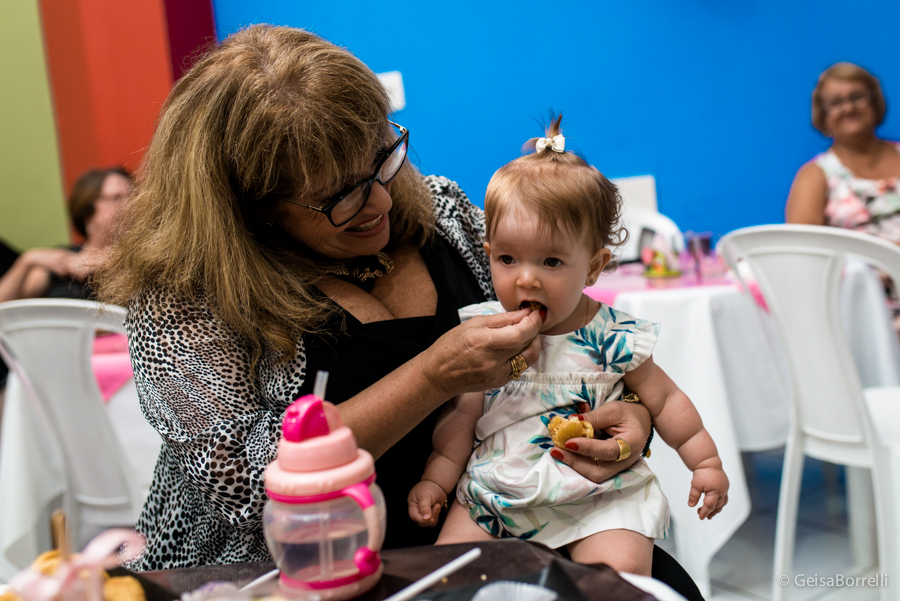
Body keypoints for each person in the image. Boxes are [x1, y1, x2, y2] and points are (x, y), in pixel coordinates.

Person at [92, 24, 682, 586]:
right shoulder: (187, 298)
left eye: (381, 158)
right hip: (294, 568)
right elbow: (248, 487)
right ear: (253, 206)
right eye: (338, 194)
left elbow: (575, 347)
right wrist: (431, 375)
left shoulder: (445, 214)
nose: (379, 200)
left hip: (508, 517)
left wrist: (627, 416)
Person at [408, 117, 729, 576]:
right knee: (448, 575)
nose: (526, 278)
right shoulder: (485, 334)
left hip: (601, 498)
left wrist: (707, 463)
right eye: (507, 258)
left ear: (594, 267)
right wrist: (435, 480)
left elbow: (668, 400)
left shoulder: (614, 336)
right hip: (500, 489)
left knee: (617, 582)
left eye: (552, 261)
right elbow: (461, 418)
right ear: (488, 252)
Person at [786, 62, 900, 241]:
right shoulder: (814, 177)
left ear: (875, 102)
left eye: (857, 97)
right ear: (822, 117)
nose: (848, 108)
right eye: (835, 103)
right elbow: (803, 251)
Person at [0, 167, 131, 302]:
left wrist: (93, 264)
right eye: (117, 198)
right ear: (88, 210)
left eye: (134, 197)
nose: (130, 205)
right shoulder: (60, 261)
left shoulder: (138, 259)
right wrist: (27, 260)